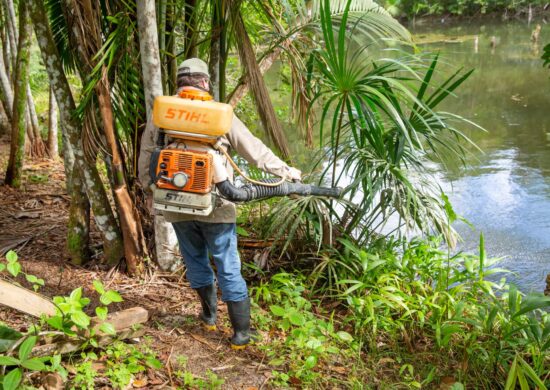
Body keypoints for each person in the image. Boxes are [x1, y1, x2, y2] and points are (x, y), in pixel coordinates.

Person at [138, 58, 301, 349]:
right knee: (227, 265)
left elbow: (147, 154)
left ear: (180, 83)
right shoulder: (218, 114)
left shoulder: (162, 112)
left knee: (194, 259)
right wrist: (286, 173)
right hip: (218, 202)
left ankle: (208, 315)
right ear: (204, 83)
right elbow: (253, 150)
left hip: (176, 204)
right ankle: (241, 333)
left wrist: (150, 188)